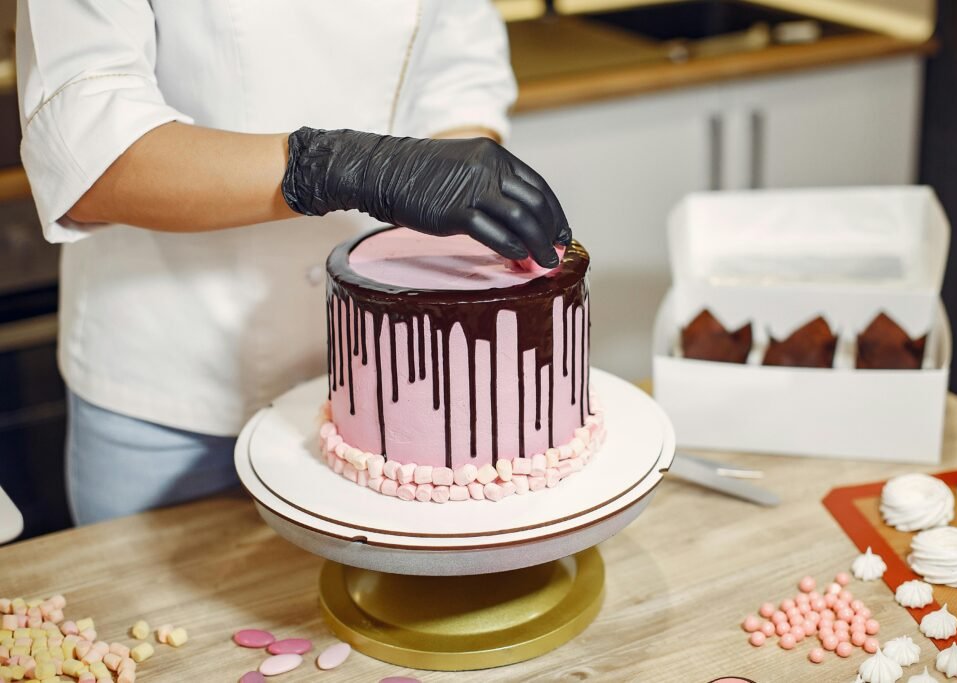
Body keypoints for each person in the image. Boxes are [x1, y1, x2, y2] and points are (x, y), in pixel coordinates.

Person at [16, 1, 569, 524]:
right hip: (174, 378)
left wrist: (455, 191)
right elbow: (86, 149)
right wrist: (343, 168)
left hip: (390, 381)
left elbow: (459, 67)